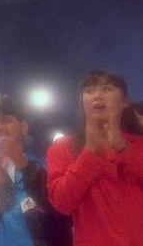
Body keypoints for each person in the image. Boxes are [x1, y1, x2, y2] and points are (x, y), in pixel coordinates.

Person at [0, 96, 71, 246]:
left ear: (23, 127)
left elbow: (64, 222)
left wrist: (25, 170)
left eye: (6, 120)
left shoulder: (43, 173)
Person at [46, 70, 143, 246]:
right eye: (89, 91)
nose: (97, 95)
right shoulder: (62, 147)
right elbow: (62, 203)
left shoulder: (138, 143)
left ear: (125, 101)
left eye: (107, 89)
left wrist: (123, 148)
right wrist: (89, 153)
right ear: (82, 104)